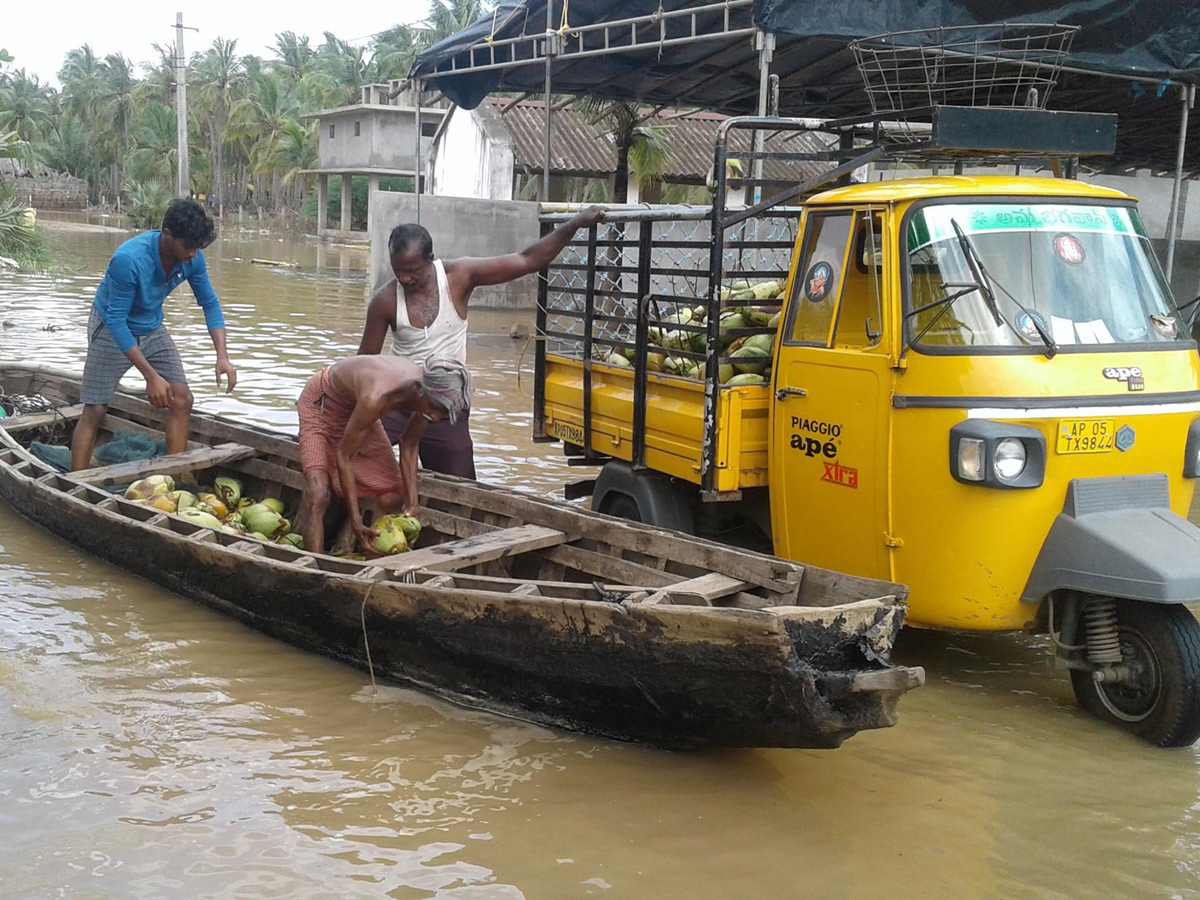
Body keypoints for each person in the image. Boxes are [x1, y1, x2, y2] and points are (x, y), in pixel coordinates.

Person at [357, 206, 608, 479]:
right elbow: (363, 366)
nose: (405, 278)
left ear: (431, 260)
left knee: (461, 483)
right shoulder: (385, 300)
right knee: (352, 454)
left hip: (446, 405)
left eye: (413, 271)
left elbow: (527, 260)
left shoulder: (459, 277)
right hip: (399, 402)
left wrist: (574, 224)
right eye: (398, 271)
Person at [70, 197, 236, 471]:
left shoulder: (192, 257)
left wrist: (222, 356)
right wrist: (151, 377)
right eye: (189, 246)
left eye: (197, 247)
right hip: (112, 328)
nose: (194, 254)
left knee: (182, 398)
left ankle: (174, 479)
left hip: (151, 325)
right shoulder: (129, 260)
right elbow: (116, 322)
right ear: (167, 235)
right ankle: (75, 483)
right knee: (96, 409)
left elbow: (210, 303)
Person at [296, 356, 471, 554]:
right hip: (320, 404)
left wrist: (412, 504)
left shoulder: (431, 398)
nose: (437, 418)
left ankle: (373, 562)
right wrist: (356, 521)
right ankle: (314, 565)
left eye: (444, 414)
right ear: (417, 390)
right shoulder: (377, 397)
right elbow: (345, 456)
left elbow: (409, 444)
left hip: (357, 412)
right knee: (318, 492)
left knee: (393, 495)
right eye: (436, 411)